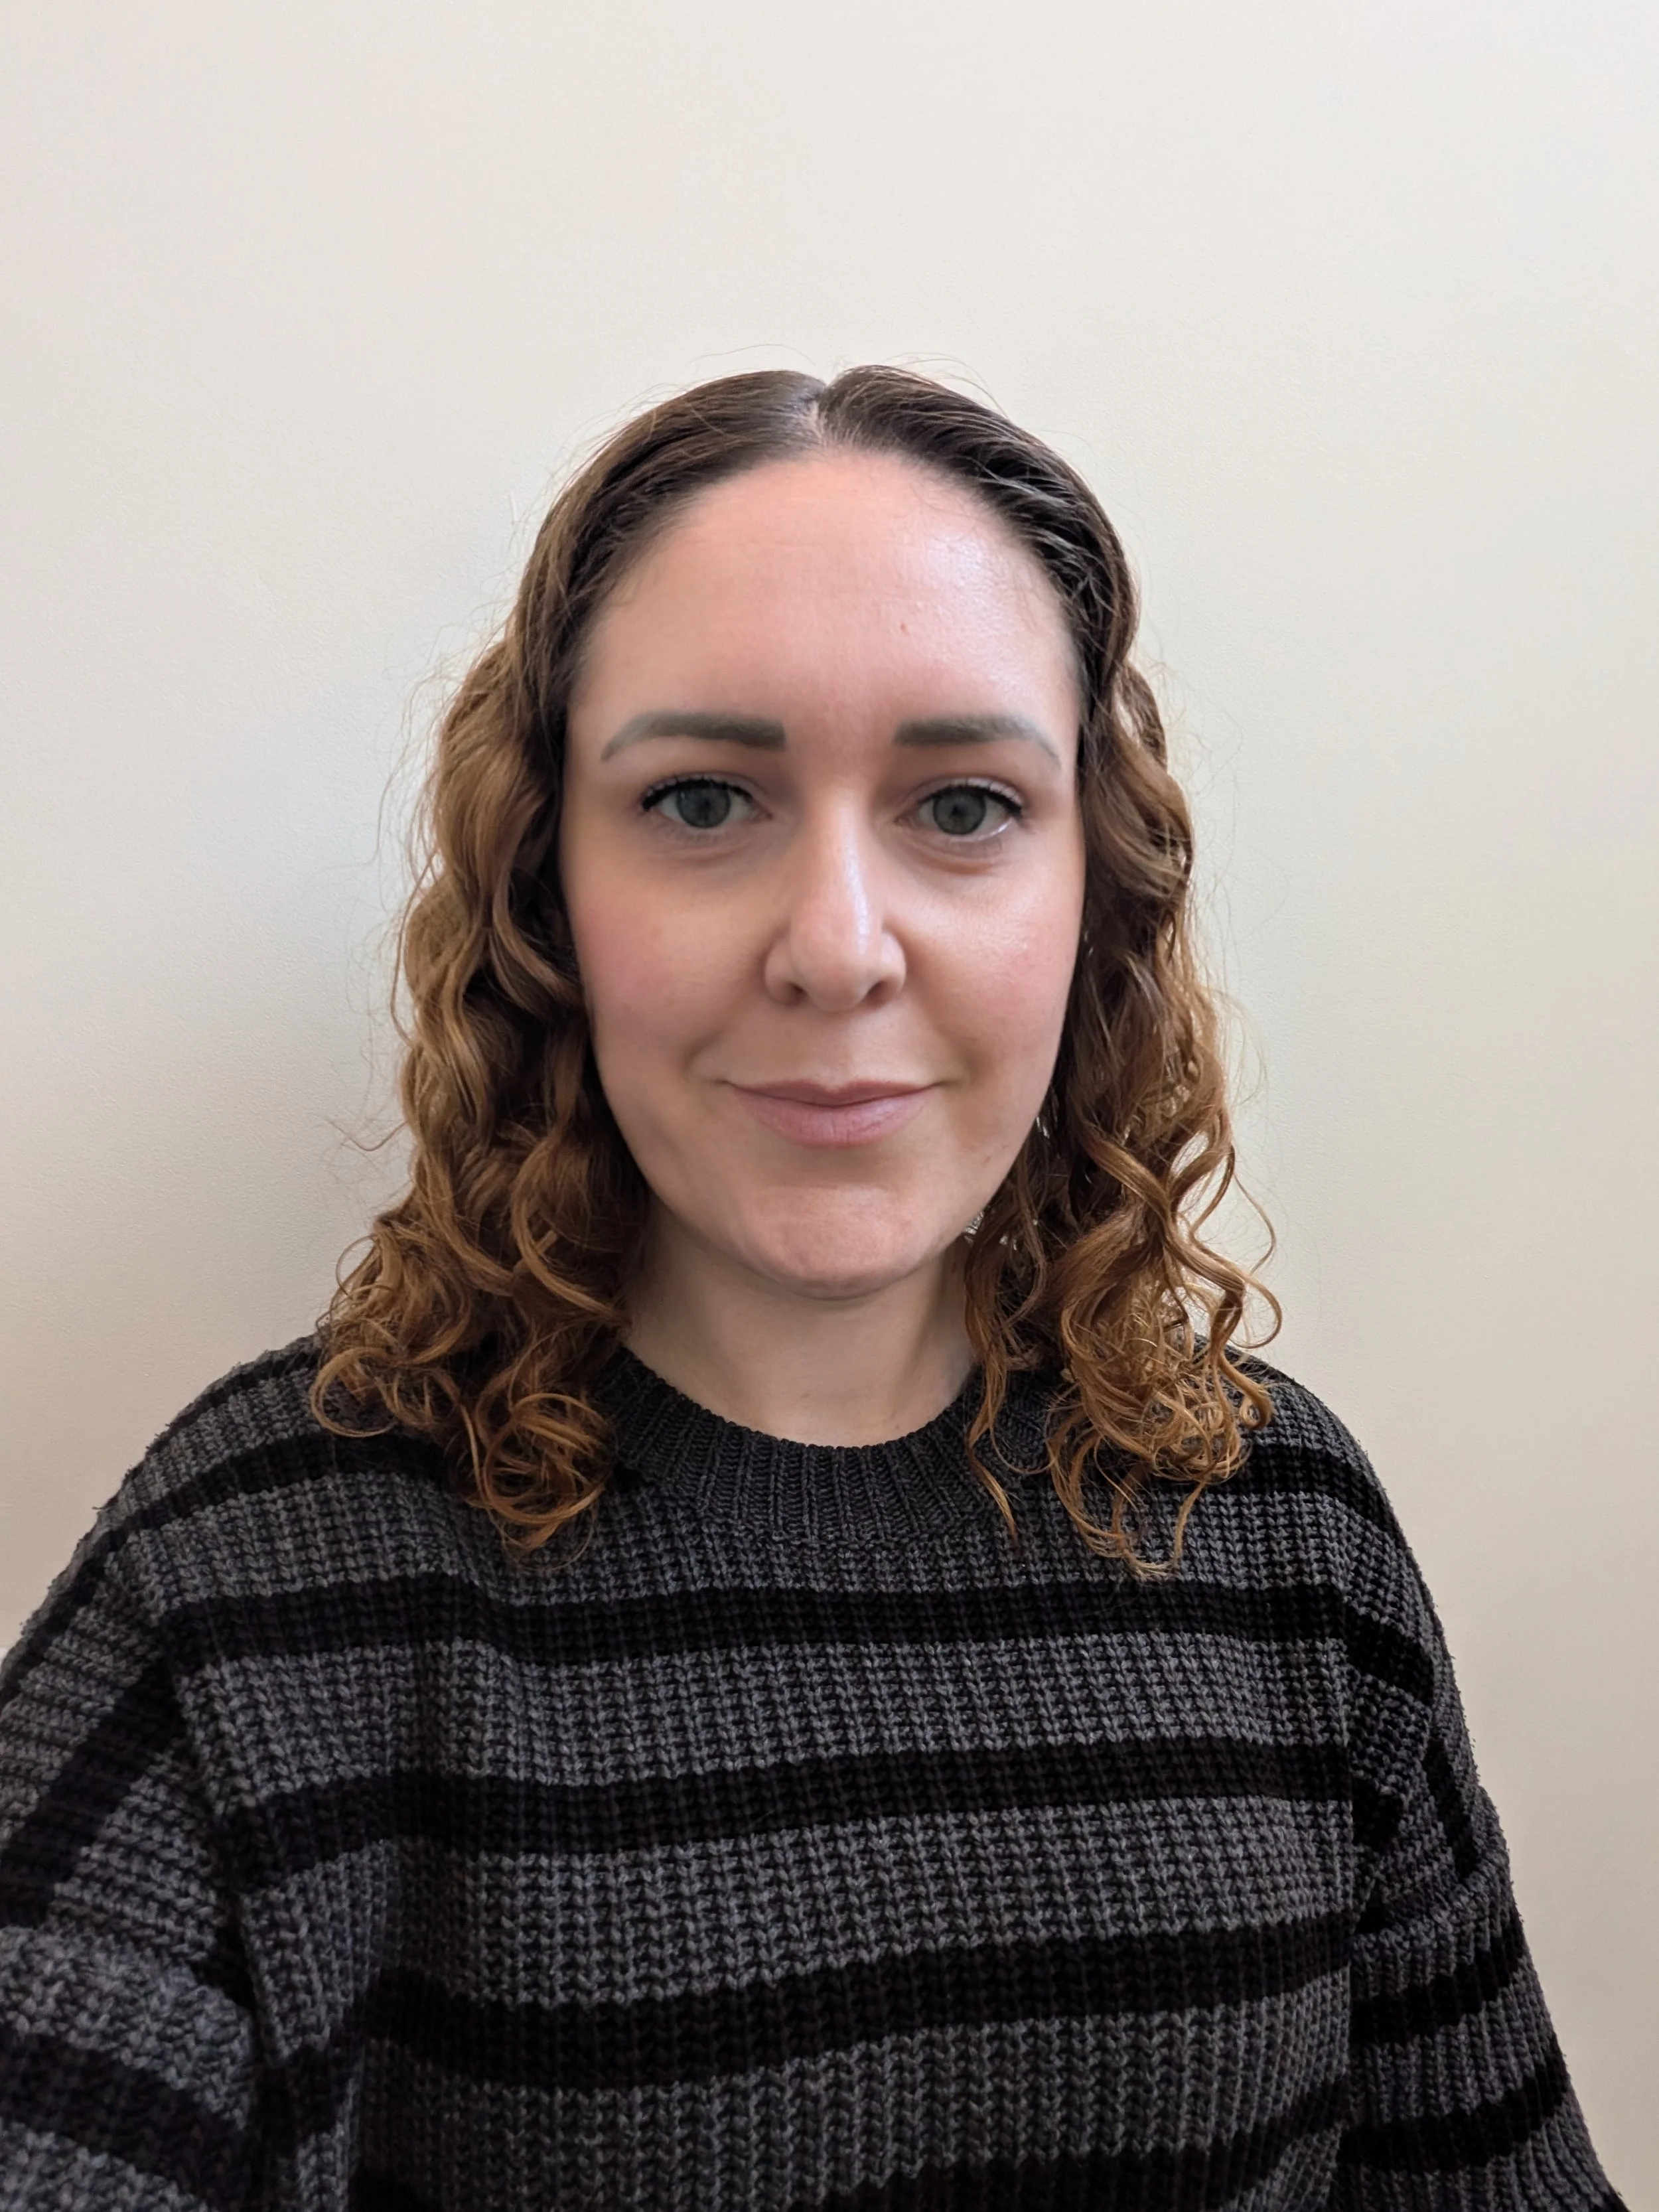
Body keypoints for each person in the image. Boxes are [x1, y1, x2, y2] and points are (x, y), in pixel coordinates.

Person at [0, 367, 1621, 2210]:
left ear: (1094, 887)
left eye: (960, 802)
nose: (837, 945)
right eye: (702, 798)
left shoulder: (1283, 1538)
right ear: (544, 885)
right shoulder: (249, 1589)